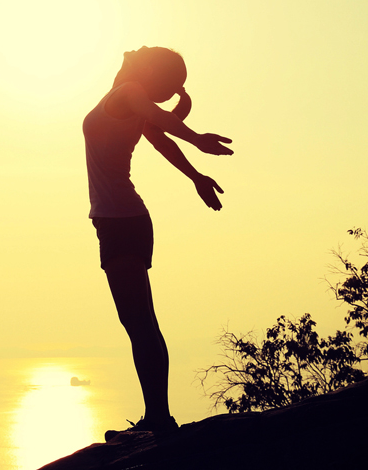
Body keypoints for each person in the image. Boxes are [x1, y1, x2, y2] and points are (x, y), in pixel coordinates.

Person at [82, 46, 232, 439]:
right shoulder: (127, 100)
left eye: (148, 51)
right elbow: (161, 134)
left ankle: (158, 420)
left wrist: (197, 140)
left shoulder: (129, 92)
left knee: (140, 324)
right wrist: (196, 175)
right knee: (140, 323)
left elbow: (158, 119)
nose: (138, 47)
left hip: (121, 222)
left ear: (147, 69)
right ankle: (157, 417)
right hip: (122, 220)